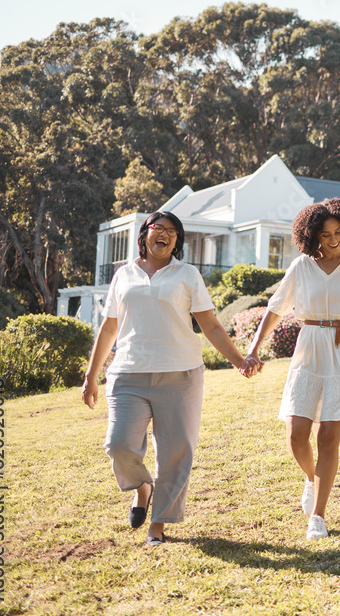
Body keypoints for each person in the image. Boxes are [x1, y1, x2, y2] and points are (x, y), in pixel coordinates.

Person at [81, 211, 260, 547]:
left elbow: (210, 326)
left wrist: (239, 360)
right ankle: (143, 487)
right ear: (144, 234)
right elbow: (109, 328)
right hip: (128, 373)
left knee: (176, 453)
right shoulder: (124, 274)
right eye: (158, 228)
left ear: (176, 242)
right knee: (118, 444)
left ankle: (158, 526)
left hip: (180, 374)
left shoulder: (187, 275)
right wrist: (92, 376)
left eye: (172, 233)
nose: (164, 235)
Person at [245, 198, 340, 541]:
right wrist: (252, 351)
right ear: (312, 236)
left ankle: (319, 517)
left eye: (339, 232)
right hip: (309, 350)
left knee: (328, 438)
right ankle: (311, 479)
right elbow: (275, 309)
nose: (334, 239)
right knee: (296, 434)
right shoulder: (301, 266)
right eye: (326, 234)